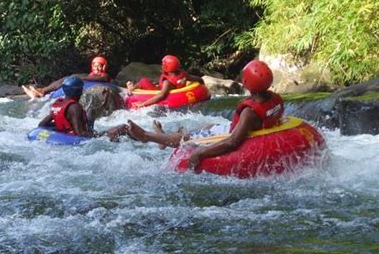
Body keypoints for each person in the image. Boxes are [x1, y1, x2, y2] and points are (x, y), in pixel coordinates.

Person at [126, 60, 284, 168]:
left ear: (246, 83)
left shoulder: (249, 112)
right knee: (208, 126)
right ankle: (163, 139)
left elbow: (233, 142)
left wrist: (201, 153)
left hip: (236, 135)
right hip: (243, 130)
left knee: (186, 139)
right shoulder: (275, 98)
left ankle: (147, 136)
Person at [38, 76, 127, 140]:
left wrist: (60, 127)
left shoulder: (57, 104)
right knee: (123, 128)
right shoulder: (75, 107)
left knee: (91, 111)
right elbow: (80, 133)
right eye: (81, 90)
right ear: (78, 91)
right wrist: (101, 135)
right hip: (78, 136)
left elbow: (42, 124)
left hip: (68, 129)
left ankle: (104, 101)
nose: (82, 92)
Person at [126, 54, 205, 108]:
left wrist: (143, 104)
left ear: (166, 67)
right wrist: (202, 88)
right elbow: (200, 79)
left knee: (144, 80)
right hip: (177, 90)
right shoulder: (183, 74)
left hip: (160, 91)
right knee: (153, 82)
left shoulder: (166, 82)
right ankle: (133, 86)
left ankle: (132, 87)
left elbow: (162, 95)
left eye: (163, 64)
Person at [23, 56, 112, 100]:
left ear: (104, 67)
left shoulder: (105, 76)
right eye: (95, 66)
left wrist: (80, 78)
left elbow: (100, 79)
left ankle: (42, 91)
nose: (96, 68)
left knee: (72, 77)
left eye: (99, 66)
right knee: (67, 78)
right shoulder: (91, 74)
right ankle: (42, 91)